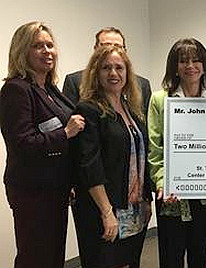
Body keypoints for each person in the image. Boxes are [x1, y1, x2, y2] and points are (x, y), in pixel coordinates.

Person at [0, 21, 85, 268]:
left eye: (50, 45)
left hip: (55, 189)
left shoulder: (49, 88)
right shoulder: (16, 90)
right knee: (34, 257)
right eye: (38, 46)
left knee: (52, 255)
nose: (47, 51)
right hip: (31, 192)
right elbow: (23, 143)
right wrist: (65, 132)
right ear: (22, 51)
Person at [72, 45, 153, 268]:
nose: (113, 73)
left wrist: (146, 199)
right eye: (106, 68)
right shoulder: (88, 109)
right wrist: (107, 212)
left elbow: (140, 156)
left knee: (128, 262)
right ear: (96, 73)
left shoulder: (131, 108)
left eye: (119, 67)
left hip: (132, 207)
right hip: (105, 210)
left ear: (128, 73)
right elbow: (90, 165)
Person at [148, 38, 206, 268]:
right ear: (174, 66)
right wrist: (162, 182)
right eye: (183, 60)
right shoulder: (160, 99)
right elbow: (155, 148)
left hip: (204, 195)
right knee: (171, 256)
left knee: (200, 256)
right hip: (171, 194)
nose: (190, 66)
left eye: (196, 60)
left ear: (204, 65)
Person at [62, 27, 151, 113]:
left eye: (118, 46)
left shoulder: (142, 85)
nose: (112, 50)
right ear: (95, 48)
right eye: (106, 45)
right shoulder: (74, 82)